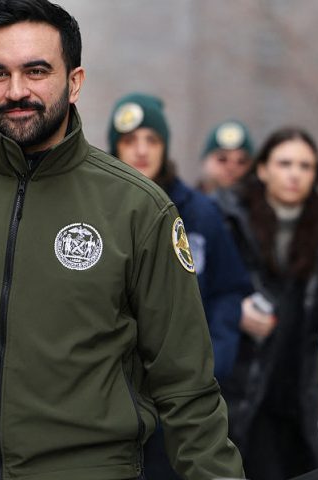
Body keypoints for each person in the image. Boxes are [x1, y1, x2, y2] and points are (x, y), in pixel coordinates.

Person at [0, 1, 244, 479]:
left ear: (74, 81)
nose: (16, 91)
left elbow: (187, 387)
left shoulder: (138, 210)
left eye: (36, 71)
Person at [108, 92, 252, 480]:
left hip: (180, 398)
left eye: (151, 140)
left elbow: (228, 288)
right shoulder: (94, 210)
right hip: (112, 400)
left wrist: (215, 360)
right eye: (129, 141)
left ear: (165, 146)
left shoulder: (199, 213)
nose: (140, 151)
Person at [213, 126, 318, 479]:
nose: (295, 174)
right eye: (284, 163)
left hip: (297, 382)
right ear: (263, 169)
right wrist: (234, 311)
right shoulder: (228, 217)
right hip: (240, 379)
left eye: (305, 166)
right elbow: (202, 288)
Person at [198, 119, 254, 194]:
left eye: (241, 162)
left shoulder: (259, 204)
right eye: (222, 159)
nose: (231, 168)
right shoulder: (183, 203)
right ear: (205, 161)